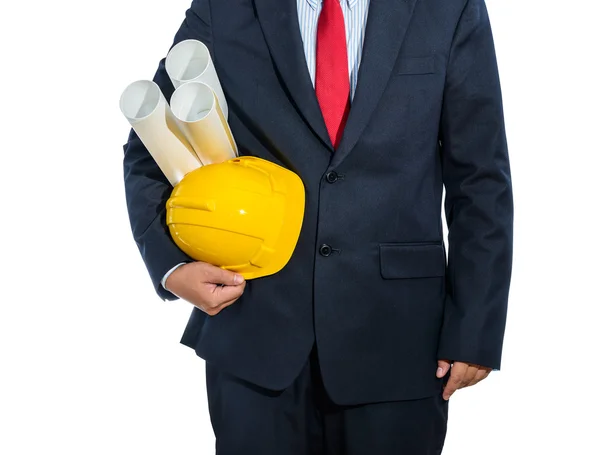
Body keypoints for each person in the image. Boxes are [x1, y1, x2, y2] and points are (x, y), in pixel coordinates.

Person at [123, 0, 513, 453]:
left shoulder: (447, 7)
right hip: (255, 335)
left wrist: (476, 327)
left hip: (399, 339)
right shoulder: (224, 7)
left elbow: (480, 177)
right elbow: (151, 146)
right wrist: (172, 268)